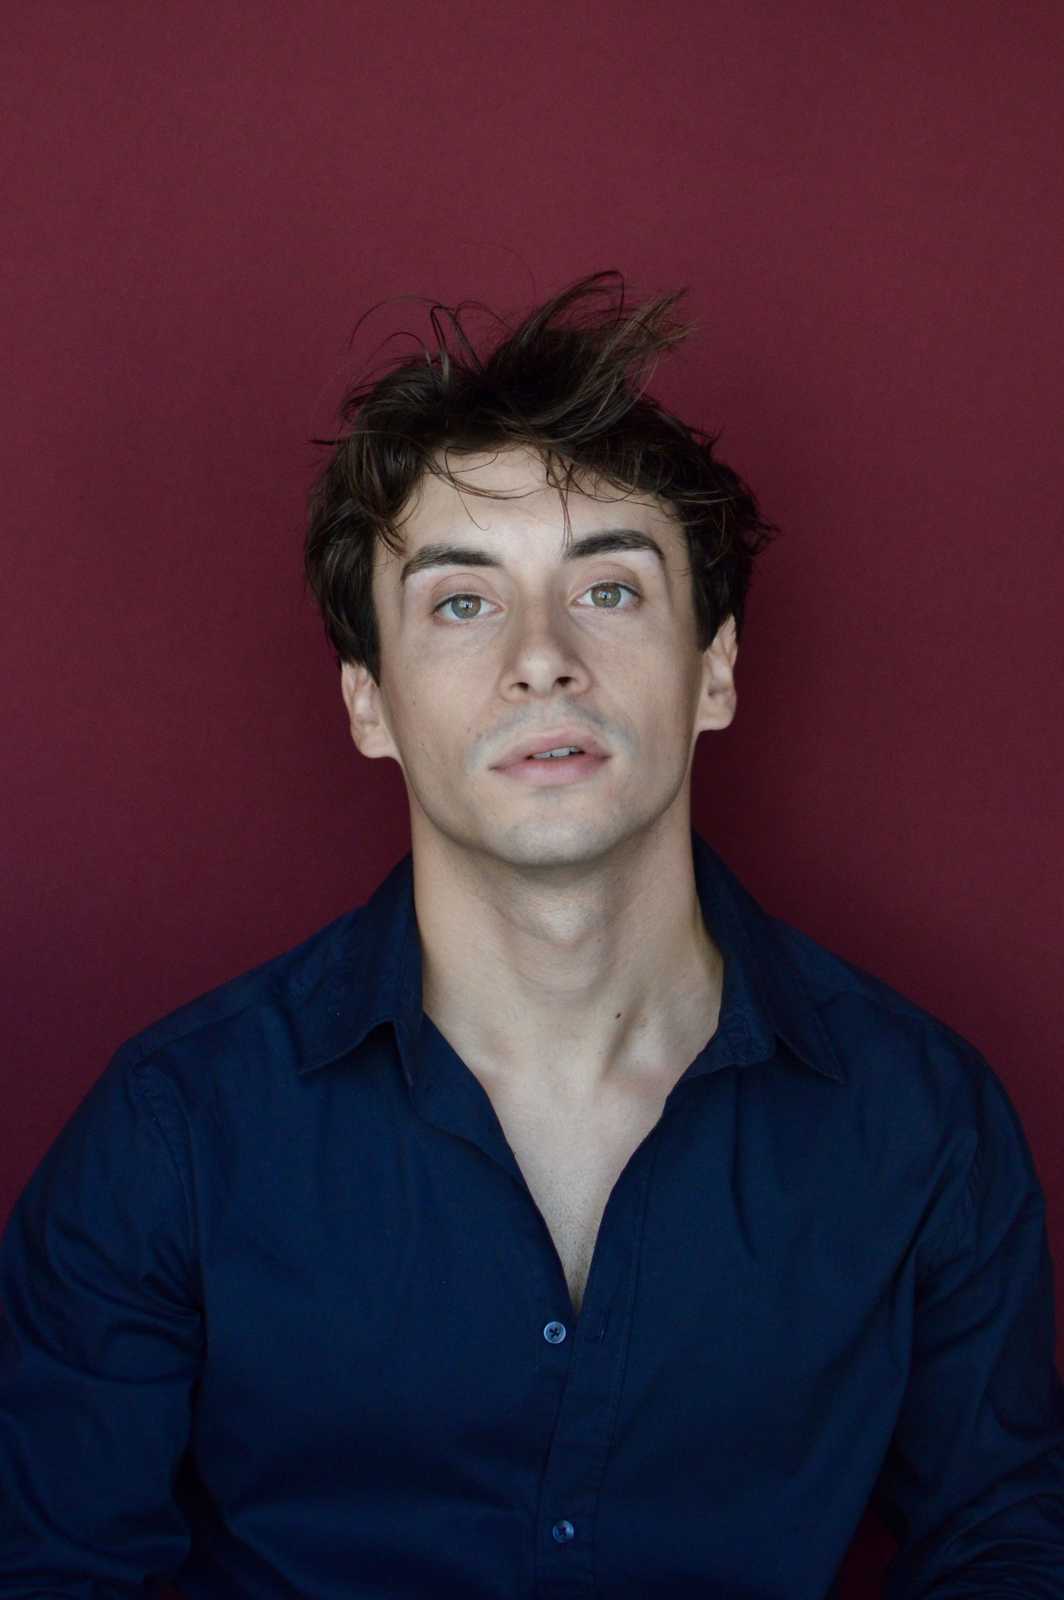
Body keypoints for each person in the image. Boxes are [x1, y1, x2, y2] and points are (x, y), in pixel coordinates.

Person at [2, 270, 1062, 1598]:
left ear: (715, 670)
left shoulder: (922, 1121)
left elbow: (1006, 1547)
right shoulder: (174, 1131)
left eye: (609, 590)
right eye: (462, 602)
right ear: (368, 703)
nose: (541, 656)